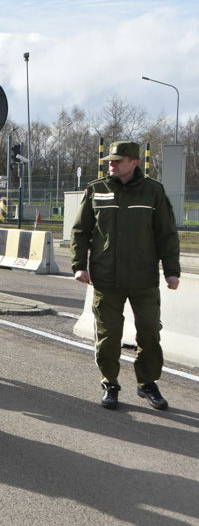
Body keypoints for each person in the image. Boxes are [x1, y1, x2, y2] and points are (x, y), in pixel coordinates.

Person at [71, 141, 180, 411]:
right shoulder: (96, 190)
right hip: (106, 278)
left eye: (118, 160)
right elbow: (80, 231)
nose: (112, 163)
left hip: (143, 279)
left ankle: (147, 383)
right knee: (108, 336)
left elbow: (166, 234)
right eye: (110, 159)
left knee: (150, 334)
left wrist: (172, 271)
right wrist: (78, 265)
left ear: (134, 162)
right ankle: (110, 383)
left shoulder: (153, 192)